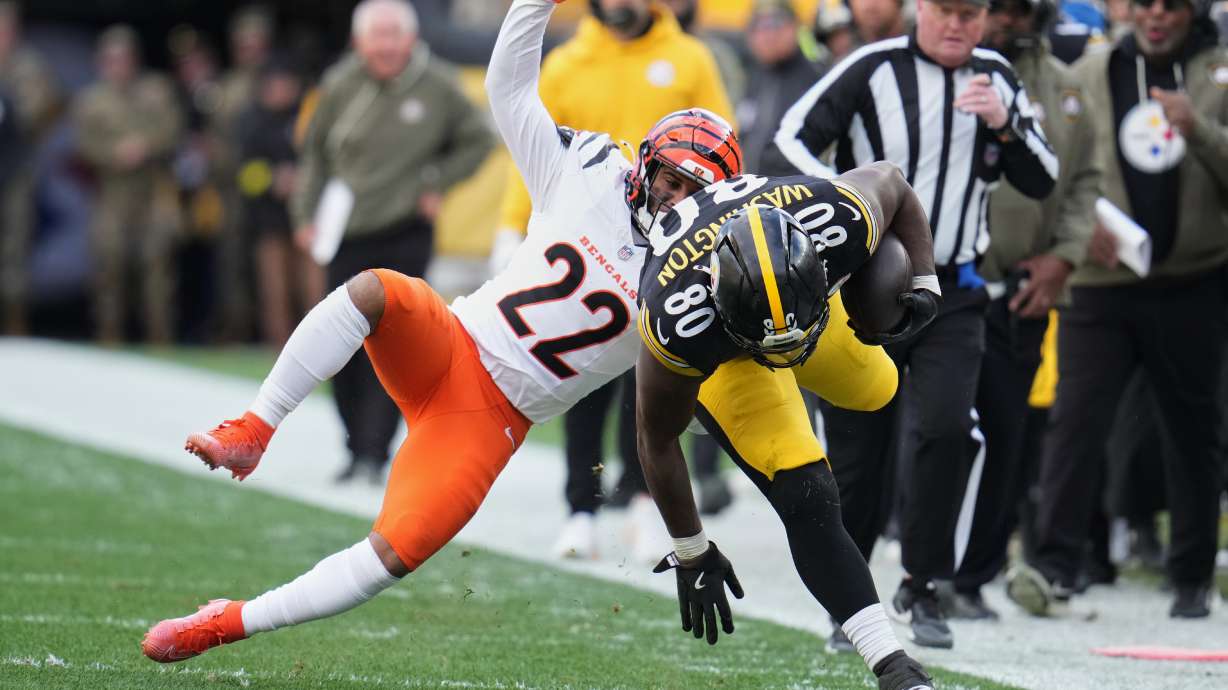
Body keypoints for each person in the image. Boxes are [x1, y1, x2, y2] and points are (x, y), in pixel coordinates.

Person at [138, 0, 742, 666]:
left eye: (696, 190)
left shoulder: (694, 279)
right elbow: (506, 87)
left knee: (393, 554)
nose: (674, 199)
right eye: (670, 178)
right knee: (375, 290)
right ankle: (253, 430)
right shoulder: (587, 170)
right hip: (452, 340)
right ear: (647, 162)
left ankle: (226, 623)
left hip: (491, 420)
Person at [770, 0, 1058, 649]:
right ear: (920, 8)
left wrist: (1007, 127)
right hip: (864, 289)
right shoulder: (872, 67)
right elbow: (788, 136)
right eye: (946, 10)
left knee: (948, 427)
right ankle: (852, 603)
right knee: (858, 449)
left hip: (953, 289)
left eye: (971, 12)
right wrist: (845, 204)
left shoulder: (997, 78)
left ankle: (924, 583)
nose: (957, 25)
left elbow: (1044, 179)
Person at [634, 163, 939, 687]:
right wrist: (691, 548)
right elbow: (655, 437)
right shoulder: (676, 316)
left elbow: (894, 180)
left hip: (807, 310)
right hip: (731, 353)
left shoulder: (838, 218)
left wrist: (926, 281)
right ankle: (893, 665)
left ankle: (817, 326)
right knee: (805, 491)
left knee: (877, 387)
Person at [487, 0, 734, 562]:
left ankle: (645, 503)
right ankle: (581, 508)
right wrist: (508, 224)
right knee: (579, 380)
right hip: (591, 230)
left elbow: (723, 158)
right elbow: (532, 151)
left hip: (668, 243)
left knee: (651, 387)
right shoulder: (568, 62)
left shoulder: (689, 57)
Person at [1006, 0, 1228, 620]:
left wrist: (1201, 130)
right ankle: (1056, 567)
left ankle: (1190, 576)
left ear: (1193, 12)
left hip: (1194, 280)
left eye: (1171, 6)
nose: (1156, 17)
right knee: (1076, 424)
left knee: (1194, 433)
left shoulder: (1220, 73)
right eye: (1146, 4)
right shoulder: (1091, 71)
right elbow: (1056, 162)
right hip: (1102, 281)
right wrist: (1085, 228)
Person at [291, 0, 493, 485]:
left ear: (411, 38)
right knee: (339, 344)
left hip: (404, 231)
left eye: (392, 35)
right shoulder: (341, 82)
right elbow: (314, 155)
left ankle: (375, 452)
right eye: (375, 36)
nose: (384, 46)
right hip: (347, 231)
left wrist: (437, 181)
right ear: (360, 41)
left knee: (392, 347)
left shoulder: (438, 82)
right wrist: (305, 215)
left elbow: (478, 141)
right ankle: (354, 444)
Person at [942, 0, 1098, 621]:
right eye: (994, 7)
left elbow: (1087, 179)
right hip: (942, 288)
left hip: (1020, 290)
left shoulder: (1062, 88)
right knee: (939, 431)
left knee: (1007, 434)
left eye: (1016, 7)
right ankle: (922, 568)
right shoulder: (935, 75)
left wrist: (1065, 257)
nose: (1005, 18)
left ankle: (973, 577)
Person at [74, 25, 184, 344]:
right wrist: (113, 153)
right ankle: (110, 338)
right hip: (112, 192)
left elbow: (174, 130)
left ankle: (160, 340)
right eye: (111, 59)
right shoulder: (92, 100)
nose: (118, 65)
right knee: (109, 266)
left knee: (157, 265)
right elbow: (83, 146)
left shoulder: (157, 89)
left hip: (153, 190)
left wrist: (145, 146)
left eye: (123, 58)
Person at [236, 55, 324, 345]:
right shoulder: (252, 121)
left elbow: (327, 161)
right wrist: (273, 179)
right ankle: (278, 349)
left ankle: (319, 347)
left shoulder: (309, 117)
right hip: (268, 220)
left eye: (285, 84)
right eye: (274, 85)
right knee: (275, 291)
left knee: (313, 288)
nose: (280, 90)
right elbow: (243, 173)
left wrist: (303, 179)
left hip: (308, 217)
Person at [0, 1, 59, 335]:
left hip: (16, 171)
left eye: (5, 28)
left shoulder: (30, 66)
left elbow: (42, 111)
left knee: (14, 251)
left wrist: (12, 110)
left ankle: (14, 324)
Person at [740, 0, 827, 175]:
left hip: (798, 193)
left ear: (794, 28)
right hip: (753, 192)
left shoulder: (815, 78)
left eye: (774, 24)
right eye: (757, 26)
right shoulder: (754, 76)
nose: (765, 35)